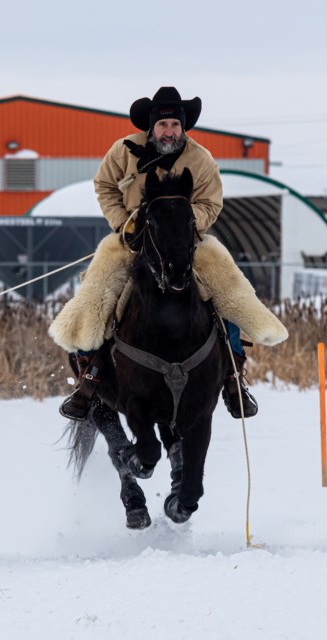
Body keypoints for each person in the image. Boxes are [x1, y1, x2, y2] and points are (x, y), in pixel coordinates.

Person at [49, 86, 289, 421]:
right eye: (163, 125)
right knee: (97, 291)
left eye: (175, 125)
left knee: (229, 289)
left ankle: (234, 378)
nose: (169, 131)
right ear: (152, 126)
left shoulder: (201, 159)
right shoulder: (123, 151)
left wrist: (186, 225)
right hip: (132, 239)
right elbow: (104, 185)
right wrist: (122, 223)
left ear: (183, 127)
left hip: (186, 242)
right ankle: (90, 376)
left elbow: (212, 202)